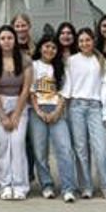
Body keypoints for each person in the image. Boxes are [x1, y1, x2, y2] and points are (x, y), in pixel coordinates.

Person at [63, 27, 106, 200]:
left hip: (95, 107)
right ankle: (86, 187)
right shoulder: (71, 61)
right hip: (76, 107)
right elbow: (67, 87)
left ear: (93, 41)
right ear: (78, 44)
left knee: (101, 149)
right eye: (81, 41)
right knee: (80, 149)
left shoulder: (101, 61)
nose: (85, 43)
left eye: (88, 40)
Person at [27, 33, 74, 201]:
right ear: (40, 47)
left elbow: (64, 93)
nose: (50, 50)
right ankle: (47, 185)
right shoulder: (33, 65)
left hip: (57, 110)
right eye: (46, 46)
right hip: (36, 110)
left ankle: (68, 188)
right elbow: (31, 91)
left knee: (65, 149)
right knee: (40, 151)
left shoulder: (61, 67)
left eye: (53, 47)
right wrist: (39, 111)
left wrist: (56, 112)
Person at [0, 25, 31, 200]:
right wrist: (2, 115)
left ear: (15, 40)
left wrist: (15, 113)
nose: (6, 41)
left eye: (10, 38)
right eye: (3, 38)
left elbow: (26, 87)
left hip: (19, 102)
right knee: (1, 145)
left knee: (18, 143)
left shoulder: (25, 59)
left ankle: (20, 185)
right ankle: (4, 185)